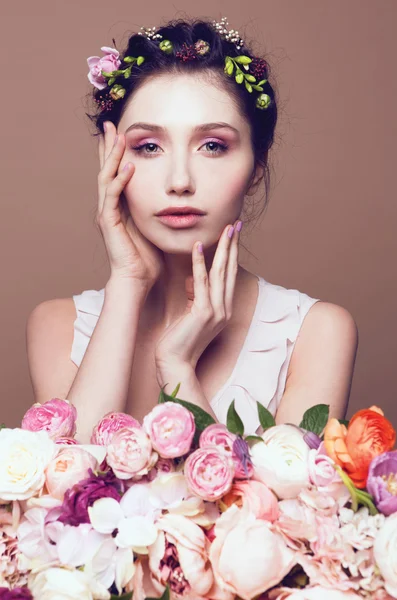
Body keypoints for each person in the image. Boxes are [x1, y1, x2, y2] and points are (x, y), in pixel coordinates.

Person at [26, 17, 358, 443]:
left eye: (212, 146)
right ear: (109, 160)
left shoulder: (316, 332)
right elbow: (71, 490)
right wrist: (128, 281)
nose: (180, 180)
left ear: (257, 166)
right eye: (149, 147)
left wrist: (177, 366)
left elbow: (270, 511)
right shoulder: (58, 325)